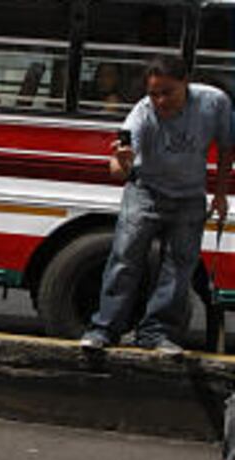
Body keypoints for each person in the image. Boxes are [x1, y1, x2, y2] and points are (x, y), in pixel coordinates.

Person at [80, 55, 233, 355]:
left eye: (168, 93)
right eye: (154, 93)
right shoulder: (142, 113)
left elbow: (227, 146)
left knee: (179, 266)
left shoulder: (214, 103)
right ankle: (104, 329)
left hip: (189, 195)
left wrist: (220, 192)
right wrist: (122, 162)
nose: (160, 100)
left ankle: (156, 333)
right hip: (146, 191)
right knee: (125, 258)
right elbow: (118, 167)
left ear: (185, 84)